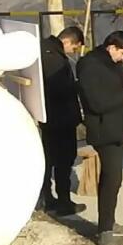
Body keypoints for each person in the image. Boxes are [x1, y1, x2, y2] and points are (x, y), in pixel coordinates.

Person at [76, 31, 123, 245]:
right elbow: (96, 102)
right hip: (104, 131)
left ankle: (109, 221)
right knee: (112, 177)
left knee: (114, 178)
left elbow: (121, 87)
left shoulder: (114, 63)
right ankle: (105, 230)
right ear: (111, 47)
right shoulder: (89, 65)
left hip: (119, 128)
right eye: (122, 53)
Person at [38, 25, 87, 217]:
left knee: (50, 159)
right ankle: (63, 202)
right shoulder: (54, 58)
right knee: (63, 161)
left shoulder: (44, 49)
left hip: (48, 117)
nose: (73, 52)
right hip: (60, 118)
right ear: (67, 41)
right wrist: (78, 85)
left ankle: (48, 197)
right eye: (74, 48)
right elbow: (59, 88)